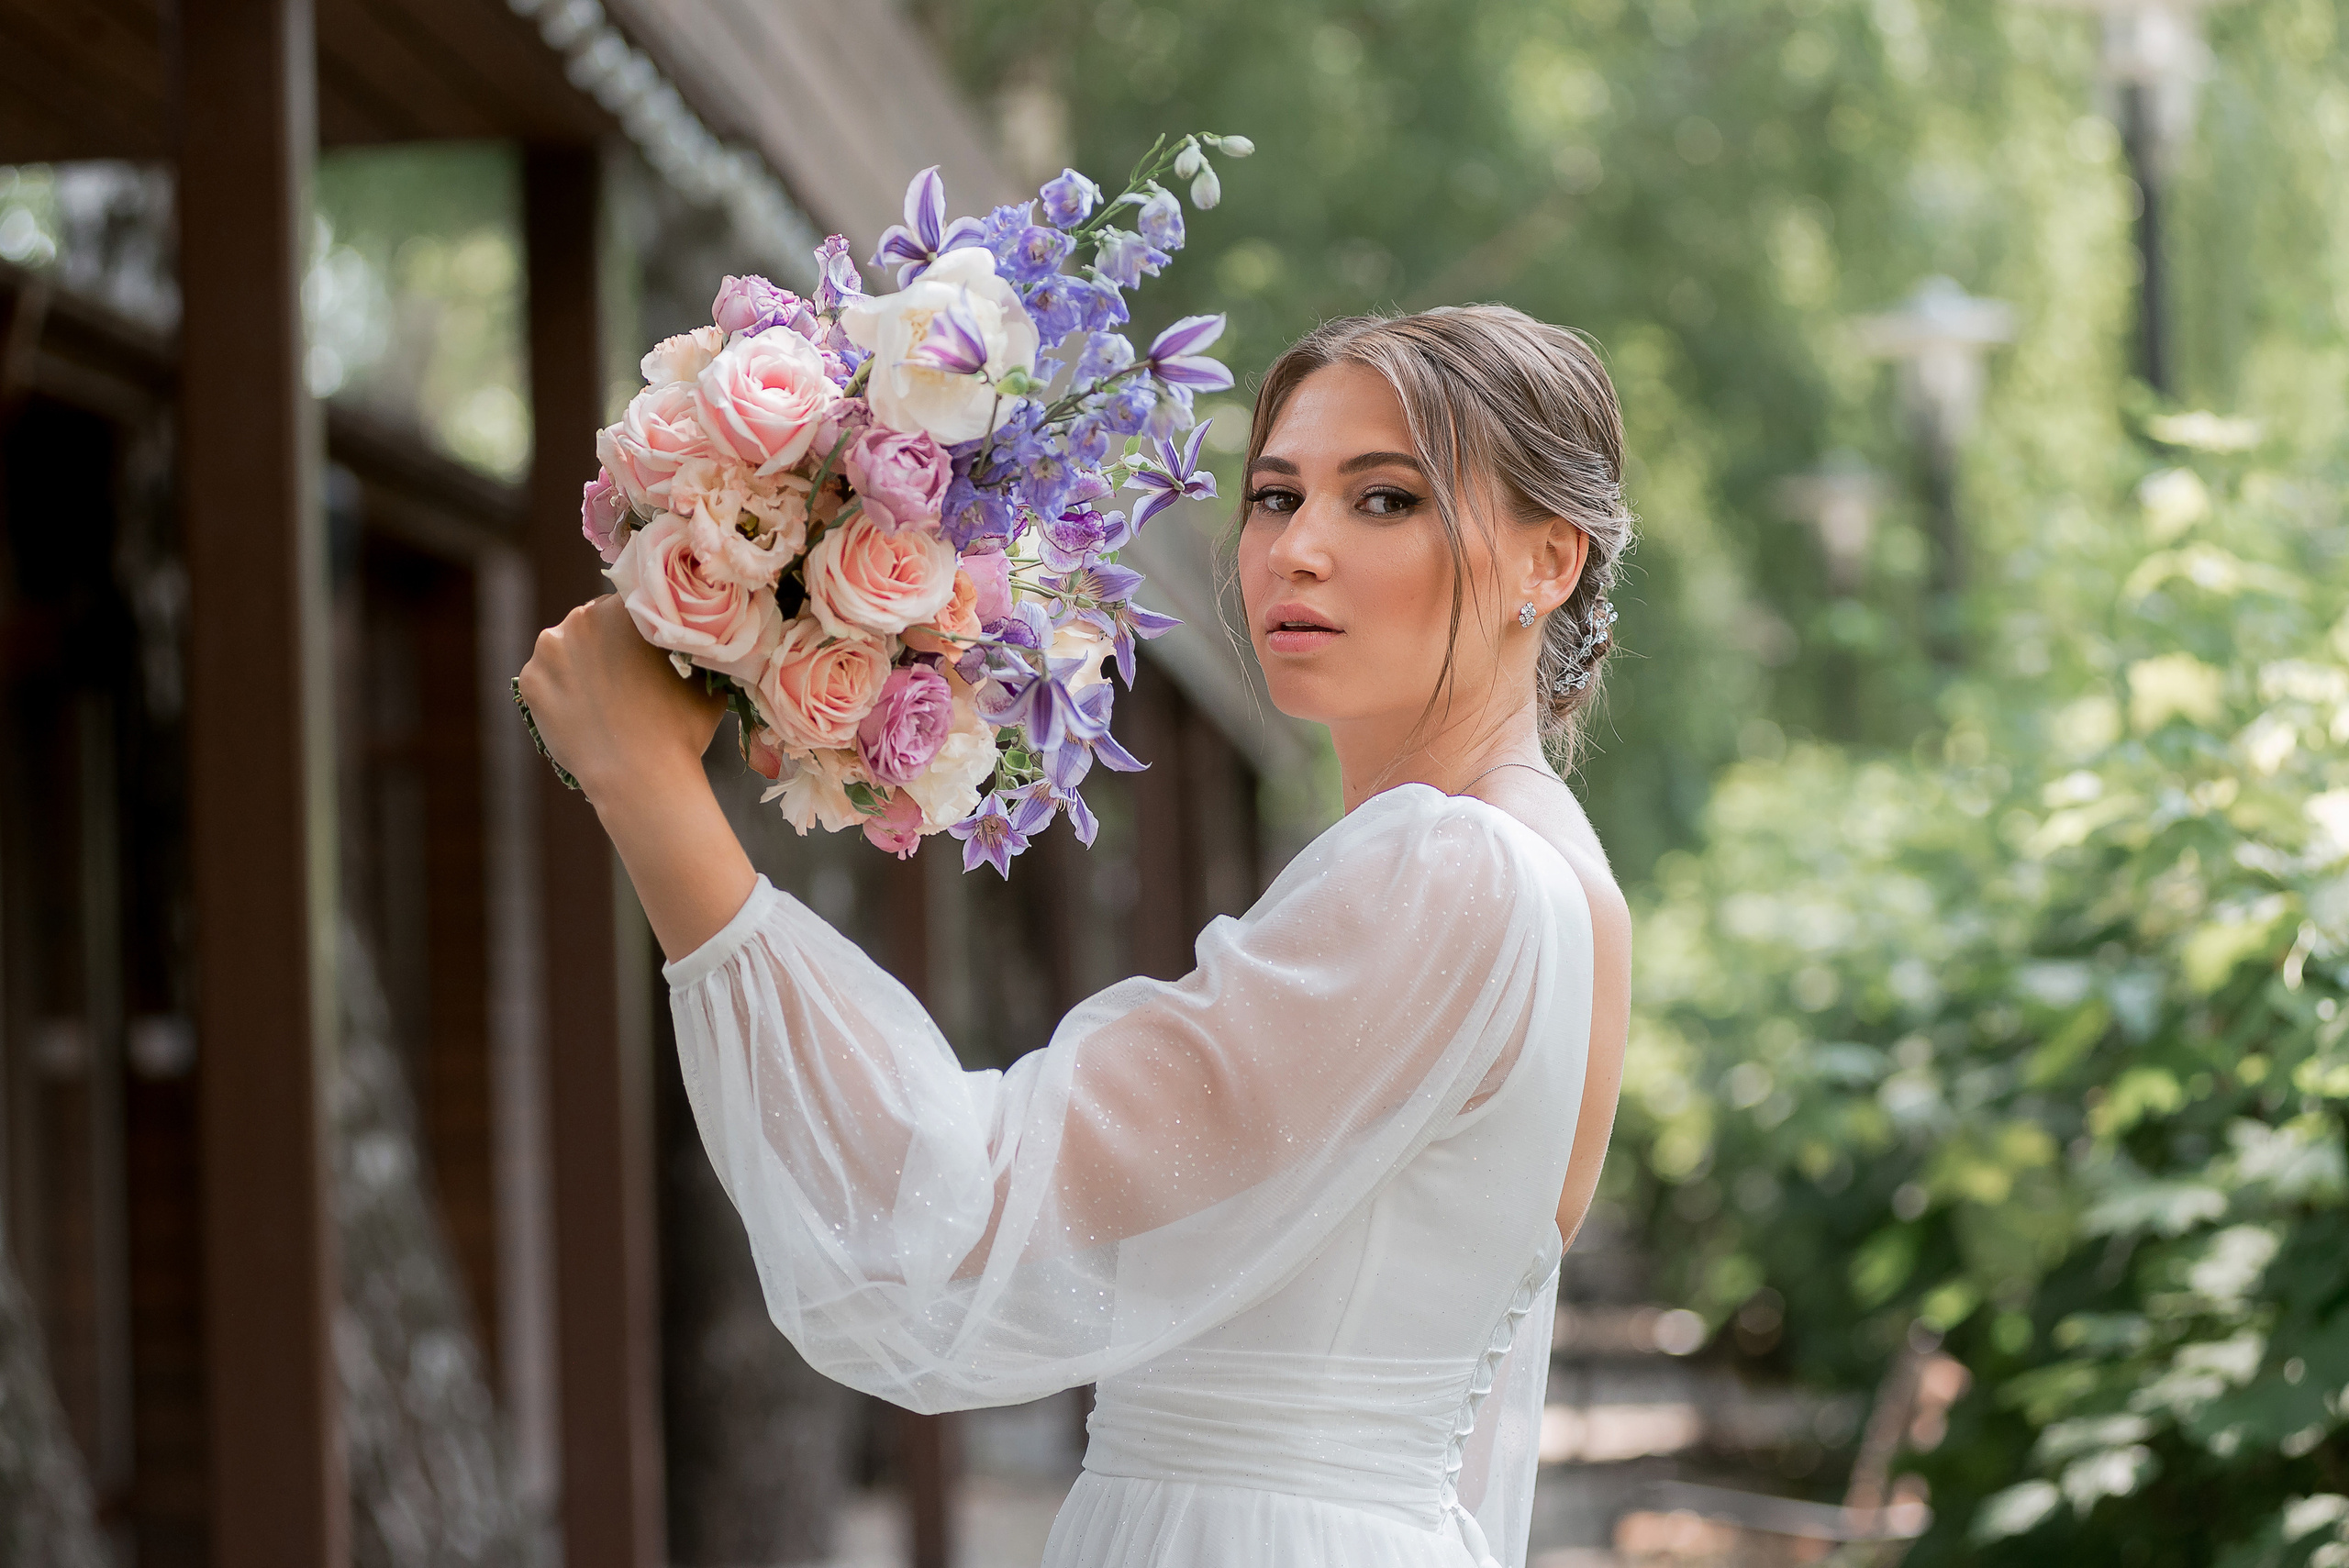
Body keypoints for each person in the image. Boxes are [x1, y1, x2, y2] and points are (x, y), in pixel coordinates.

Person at [517, 304, 1634, 1568]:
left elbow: (960, 1194)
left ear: (1549, 560)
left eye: (1385, 500)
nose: (1297, 550)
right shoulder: (1563, 882)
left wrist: (651, 793)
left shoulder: (1451, 867)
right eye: (1275, 497)